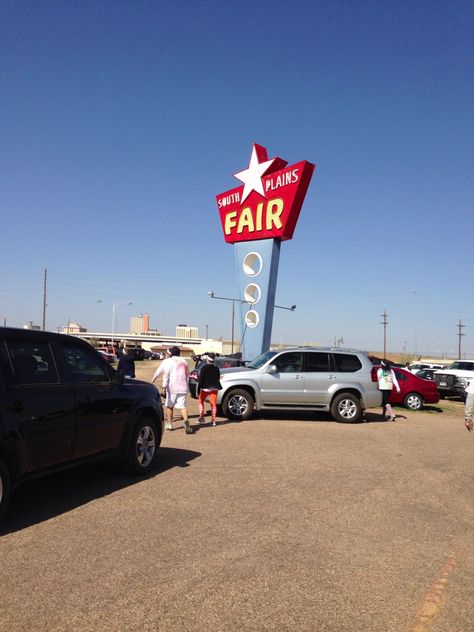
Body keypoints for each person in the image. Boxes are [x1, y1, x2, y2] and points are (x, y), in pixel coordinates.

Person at [152, 346, 191, 434]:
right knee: (183, 406)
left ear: (171, 353)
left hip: (172, 387)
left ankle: (169, 424)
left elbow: (163, 373)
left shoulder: (168, 361)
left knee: (169, 406)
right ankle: (186, 421)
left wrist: (156, 382)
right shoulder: (184, 362)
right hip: (183, 387)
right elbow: (187, 375)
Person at [197, 353, 222, 426]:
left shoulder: (204, 368)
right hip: (215, 388)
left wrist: (199, 388)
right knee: (213, 404)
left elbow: (201, 379)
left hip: (205, 388)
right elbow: (217, 378)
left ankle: (202, 418)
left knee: (201, 401)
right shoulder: (216, 368)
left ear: (207, 359)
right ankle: (213, 421)